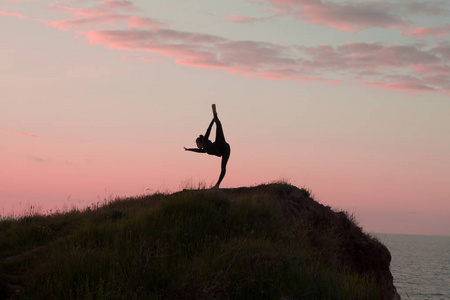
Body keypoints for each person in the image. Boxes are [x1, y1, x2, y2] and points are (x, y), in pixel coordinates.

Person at [184, 104, 231, 188]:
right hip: (224, 151)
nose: (197, 146)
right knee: (223, 167)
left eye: (197, 144)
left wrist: (213, 120)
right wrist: (189, 149)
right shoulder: (204, 150)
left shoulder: (205, 140)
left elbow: (208, 129)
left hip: (219, 144)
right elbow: (197, 150)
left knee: (219, 125)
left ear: (199, 142)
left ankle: (214, 113)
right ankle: (217, 185)